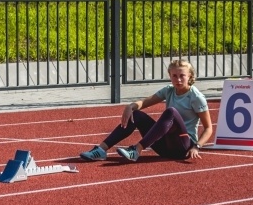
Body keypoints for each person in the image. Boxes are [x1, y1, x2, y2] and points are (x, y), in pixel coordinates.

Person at [79, 59, 213, 162]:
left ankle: (137, 150)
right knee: (136, 114)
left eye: (182, 76)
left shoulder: (196, 97)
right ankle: (101, 150)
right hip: (164, 147)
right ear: (170, 75)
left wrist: (197, 146)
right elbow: (145, 102)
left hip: (183, 147)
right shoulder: (169, 90)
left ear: (190, 76)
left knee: (171, 112)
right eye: (174, 76)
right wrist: (130, 106)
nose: (178, 79)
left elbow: (208, 128)